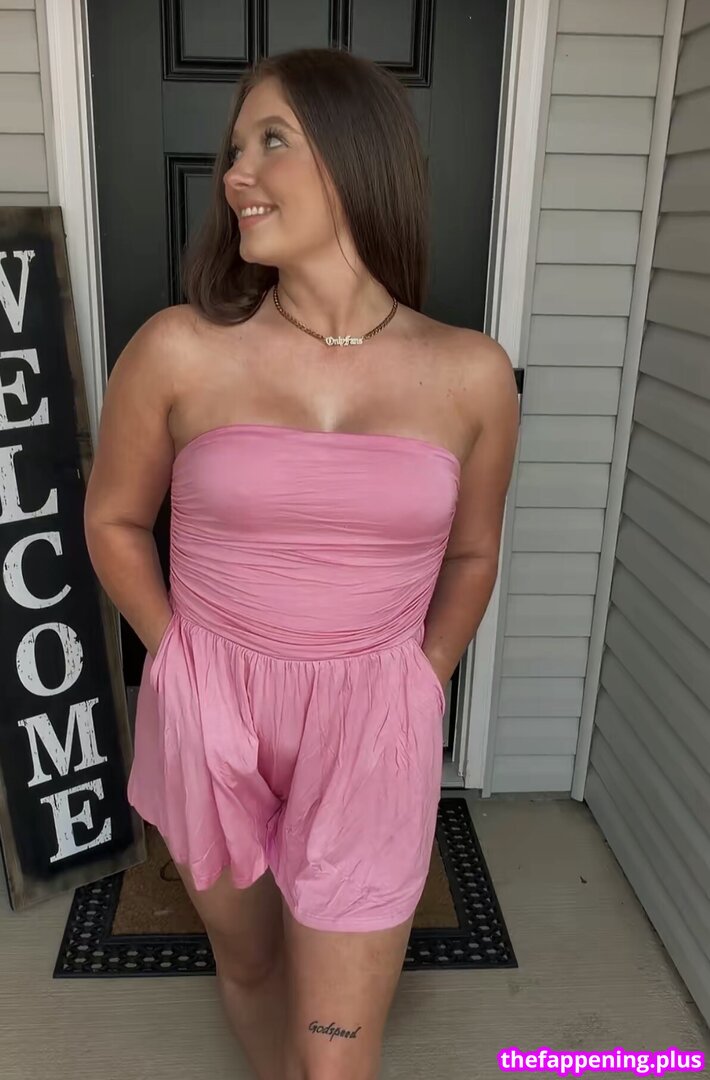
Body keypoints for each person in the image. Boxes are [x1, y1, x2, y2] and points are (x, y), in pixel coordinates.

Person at [84, 45, 519, 1080]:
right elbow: (113, 521)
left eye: (270, 140)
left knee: (336, 1057)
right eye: (235, 147)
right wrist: (178, 662)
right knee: (248, 965)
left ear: (357, 154)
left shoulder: (469, 374)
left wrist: (422, 677)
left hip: (373, 724)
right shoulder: (178, 349)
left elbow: (472, 553)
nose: (235, 173)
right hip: (211, 710)